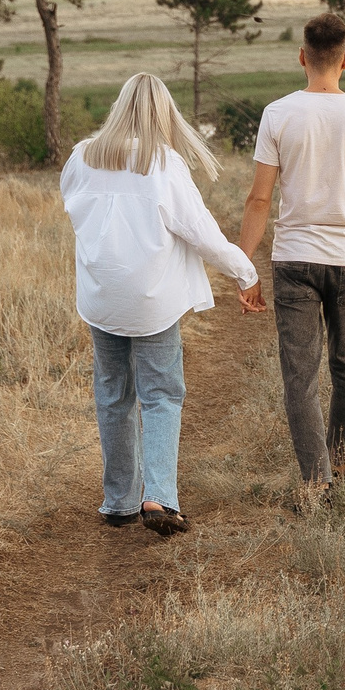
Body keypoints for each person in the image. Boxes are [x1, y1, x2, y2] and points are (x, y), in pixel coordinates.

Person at [59, 71, 257, 536]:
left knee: (112, 394)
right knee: (162, 394)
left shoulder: (82, 156)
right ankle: (159, 497)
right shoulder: (164, 164)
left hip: (101, 295)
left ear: (119, 108)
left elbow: (74, 207)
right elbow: (201, 232)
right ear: (163, 113)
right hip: (151, 301)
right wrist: (245, 273)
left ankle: (118, 501)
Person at [236, 12, 345, 507]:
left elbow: (259, 201)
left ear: (302, 57)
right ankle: (341, 459)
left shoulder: (278, 114)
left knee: (300, 375)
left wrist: (245, 271)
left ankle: (316, 481)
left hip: (293, 262)